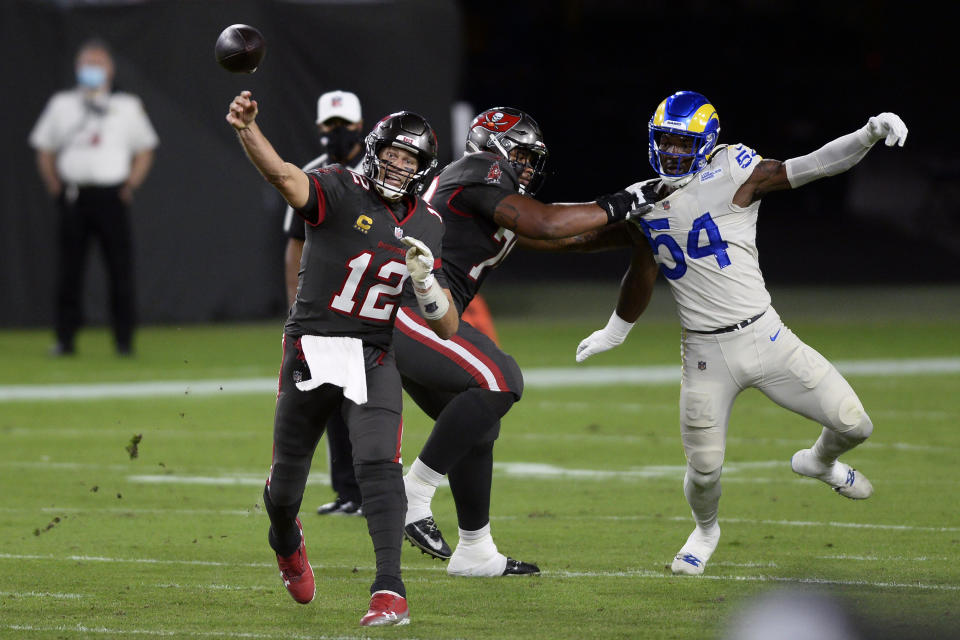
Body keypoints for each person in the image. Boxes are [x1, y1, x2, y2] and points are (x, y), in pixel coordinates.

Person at [575, 90, 908, 576]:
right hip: (704, 352)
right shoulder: (644, 197)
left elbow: (813, 165)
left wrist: (868, 133)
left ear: (707, 145)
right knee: (704, 469)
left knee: (855, 425)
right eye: (664, 141)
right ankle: (705, 530)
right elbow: (640, 269)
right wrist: (616, 329)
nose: (670, 152)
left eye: (682, 143)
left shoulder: (733, 170)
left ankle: (818, 462)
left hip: (767, 337)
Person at [227, 90, 459, 625]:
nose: (400, 166)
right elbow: (284, 176)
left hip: (372, 352)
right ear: (375, 152)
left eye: (412, 160)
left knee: (379, 463)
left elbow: (446, 324)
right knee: (285, 489)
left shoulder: (428, 225)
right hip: (313, 347)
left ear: (424, 170)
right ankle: (286, 540)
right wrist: (247, 129)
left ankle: (389, 590)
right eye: (395, 154)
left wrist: (425, 283)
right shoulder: (338, 185)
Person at [395, 107, 641, 576]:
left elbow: (562, 240)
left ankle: (475, 551)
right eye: (522, 154)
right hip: (408, 307)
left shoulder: (492, 197)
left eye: (533, 158)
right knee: (499, 380)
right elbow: (547, 224)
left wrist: (630, 232)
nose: (527, 166)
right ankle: (414, 493)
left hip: (424, 313)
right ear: (493, 145)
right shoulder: (476, 170)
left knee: (479, 427)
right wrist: (621, 203)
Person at [29, 38, 158, 356]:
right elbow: (44, 149)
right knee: (69, 272)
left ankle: (124, 340)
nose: (93, 70)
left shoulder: (126, 106)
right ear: (77, 68)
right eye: (88, 64)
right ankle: (65, 338)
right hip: (74, 196)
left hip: (112, 197)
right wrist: (55, 187)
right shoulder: (62, 105)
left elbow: (145, 149)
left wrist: (130, 185)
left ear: (110, 69)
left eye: (99, 64)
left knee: (120, 270)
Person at [282, 90, 367, 518]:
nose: (337, 133)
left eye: (344, 124)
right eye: (330, 126)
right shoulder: (310, 175)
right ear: (320, 129)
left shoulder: (379, 171)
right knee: (333, 397)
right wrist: (296, 311)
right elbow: (294, 245)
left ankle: (381, 489)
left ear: (359, 124)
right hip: (329, 307)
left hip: (373, 303)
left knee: (373, 401)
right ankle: (349, 492)